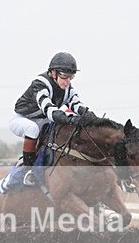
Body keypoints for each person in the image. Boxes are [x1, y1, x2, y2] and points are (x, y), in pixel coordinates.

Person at [9, 52, 93, 185]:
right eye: (65, 76)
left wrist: (90, 117)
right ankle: (28, 169)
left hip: (43, 120)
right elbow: (49, 109)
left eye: (71, 76)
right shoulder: (40, 84)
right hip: (22, 119)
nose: (68, 81)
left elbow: (77, 104)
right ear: (53, 73)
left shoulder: (67, 88)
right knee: (32, 129)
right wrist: (70, 118)